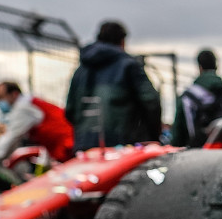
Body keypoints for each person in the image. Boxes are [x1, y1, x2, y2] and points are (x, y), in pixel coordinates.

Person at [65, 20, 162, 152]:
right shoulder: (129, 66)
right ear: (122, 41)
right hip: (122, 146)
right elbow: (151, 102)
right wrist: (152, 136)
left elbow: (70, 110)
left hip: (84, 146)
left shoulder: (80, 71)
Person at [170, 49, 222, 147]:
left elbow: (178, 133)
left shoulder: (189, 97)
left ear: (200, 67)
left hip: (199, 154)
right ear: (217, 66)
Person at [0, 81, 73, 164]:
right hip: (65, 145)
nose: (0, 102)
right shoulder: (31, 101)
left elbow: (11, 138)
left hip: (67, 145)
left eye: (1, 97)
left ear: (14, 94)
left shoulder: (22, 108)